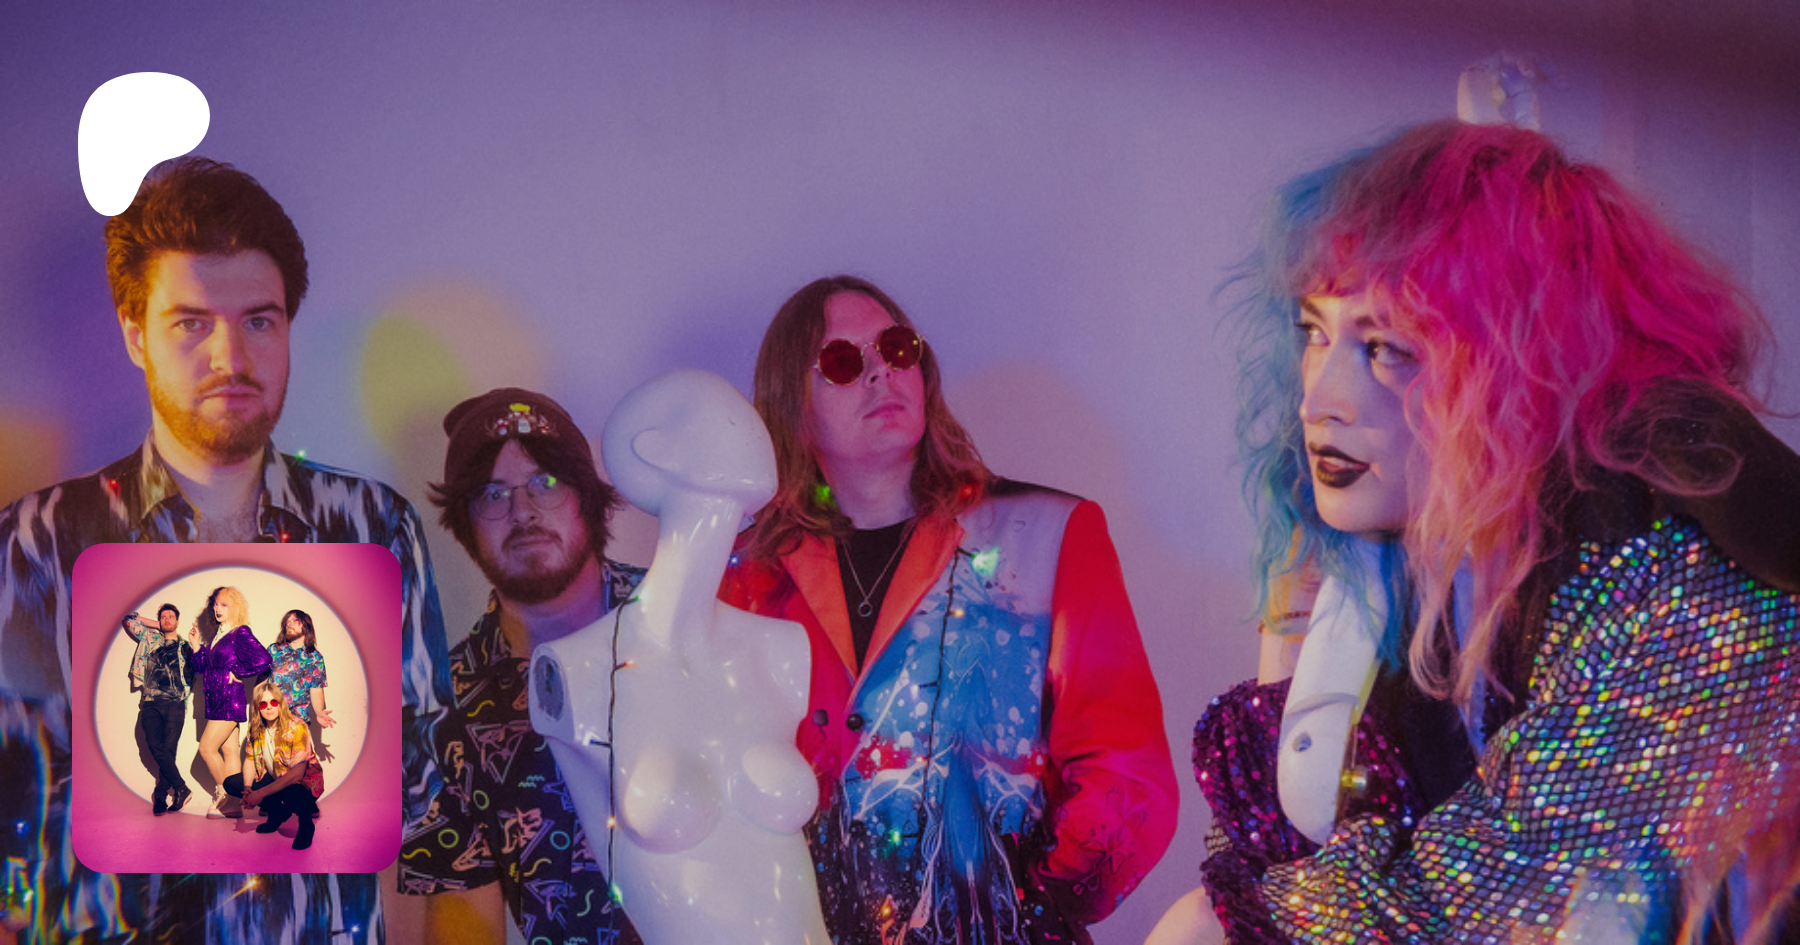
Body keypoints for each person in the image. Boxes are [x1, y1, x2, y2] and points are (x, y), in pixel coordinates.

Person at [1178, 120, 1800, 942]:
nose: (1319, 400)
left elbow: (1503, 900)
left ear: (1526, 366)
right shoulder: (1417, 553)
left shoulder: (1672, 556)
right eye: (1315, 333)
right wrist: (1298, 629)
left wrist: (1227, 922)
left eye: (1387, 347)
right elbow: (1291, 832)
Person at [0, 156, 449, 942]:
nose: (230, 358)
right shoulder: (37, 543)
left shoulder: (373, 526)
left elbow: (423, 796)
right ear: (136, 335)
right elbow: (12, 821)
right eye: (192, 323)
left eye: (259, 321)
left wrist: (334, 722)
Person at [718, 275, 1179, 943]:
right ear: (794, 403)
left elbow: (1127, 769)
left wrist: (1030, 906)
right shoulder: (748, 579)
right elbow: (718, 771)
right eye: (843, 361)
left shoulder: (1046, 533)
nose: (881, 371)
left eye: (897, 348)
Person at [398, 388, 641, 945]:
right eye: (492, 494)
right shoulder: (443, 711)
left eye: (545, 482)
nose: (523, 511)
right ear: (466, 525)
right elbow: (463, 920)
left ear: (586, 497)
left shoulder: (680, 616)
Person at [187, 586, 273, 818]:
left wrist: (239, 672)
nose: (218, 608)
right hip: (214, 699)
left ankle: (226, 796)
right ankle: (235, 806)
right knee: (229, 751)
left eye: (224, 604)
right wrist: (196, 645)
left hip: (228, 698)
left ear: (235, 607)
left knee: (207, 748)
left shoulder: (239, 632)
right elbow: (202, 669)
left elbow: (264, 659)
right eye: (215, 604)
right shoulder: (217, 636)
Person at [224, 681, 322, 850]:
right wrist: (248, 789)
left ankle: (306, 825)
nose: (269, 707)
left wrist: (259, 794)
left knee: (293, 794)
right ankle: (277, 813)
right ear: (258, 708)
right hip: (274, 777)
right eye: (263, 704)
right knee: (231, 783)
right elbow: (250, 760)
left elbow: (298, 773)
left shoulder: (297, 726)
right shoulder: (255, 728)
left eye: (273, 702)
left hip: (303, 783)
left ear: (280, 703)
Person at [119, 602, 196, 815]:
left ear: (178, 621)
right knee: (154, 745)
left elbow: (197, 669)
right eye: (163, 617)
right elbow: (129, 620)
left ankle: (160, 796)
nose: (167, 619)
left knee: (168, 751)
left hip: (176, 703)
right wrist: (158, 625)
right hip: (151, 701)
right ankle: (181, 788)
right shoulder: (150, 637)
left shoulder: (185, 647)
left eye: (171, 617)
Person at [270, 609, 334, 730]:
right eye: (287, 622)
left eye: (295, 620)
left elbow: (316, 689)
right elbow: (261, 681)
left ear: (305, 625)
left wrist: (319, 712)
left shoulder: (315, 657)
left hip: (298, 722)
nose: (289, 624)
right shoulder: (274, 650)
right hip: (271, 718)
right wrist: (255, 711)